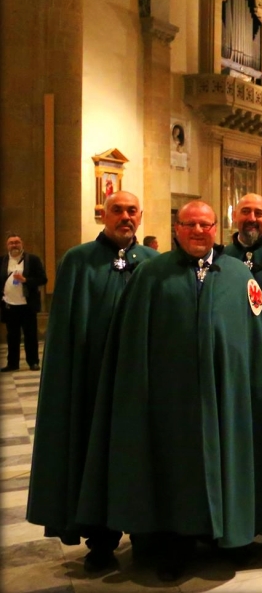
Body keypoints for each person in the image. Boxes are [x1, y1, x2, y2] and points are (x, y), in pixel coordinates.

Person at [76, 201, 262, 581]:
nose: (198, 231)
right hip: (170, 400)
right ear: (176, 229)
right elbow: (132, 345)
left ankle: (228, 536)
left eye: (205, 224)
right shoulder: (151, 275)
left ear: (216, 228)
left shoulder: (237, 275)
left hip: (228, 396)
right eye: (190, 224)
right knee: (174, 469)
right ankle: (175, 544)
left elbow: (258, 338)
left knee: (228, 459)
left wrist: (258, 388)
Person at [26, 193, 156, 572]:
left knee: (138, 457)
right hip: (92, 383)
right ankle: (101, 541)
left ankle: (145, 532)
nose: (126, 217)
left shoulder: (152, 263)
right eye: (118, 210)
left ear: (141, 217)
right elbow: (67, 328)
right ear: (104, 214)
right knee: (93, 457)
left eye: (132, 211)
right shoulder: (78, 260)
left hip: (140, 388)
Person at [3, 233, 47, 372]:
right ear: (7, 245)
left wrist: (25, 280)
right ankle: (12, 363)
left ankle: (33, 362)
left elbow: (42, 279)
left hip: (27, 305)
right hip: (9, 305)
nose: (14, 245)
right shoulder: (3, 260)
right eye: (11, 243)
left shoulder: (32, 260)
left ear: (22, 244)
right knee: (12, 335)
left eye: (17, 242)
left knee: (30, 335)